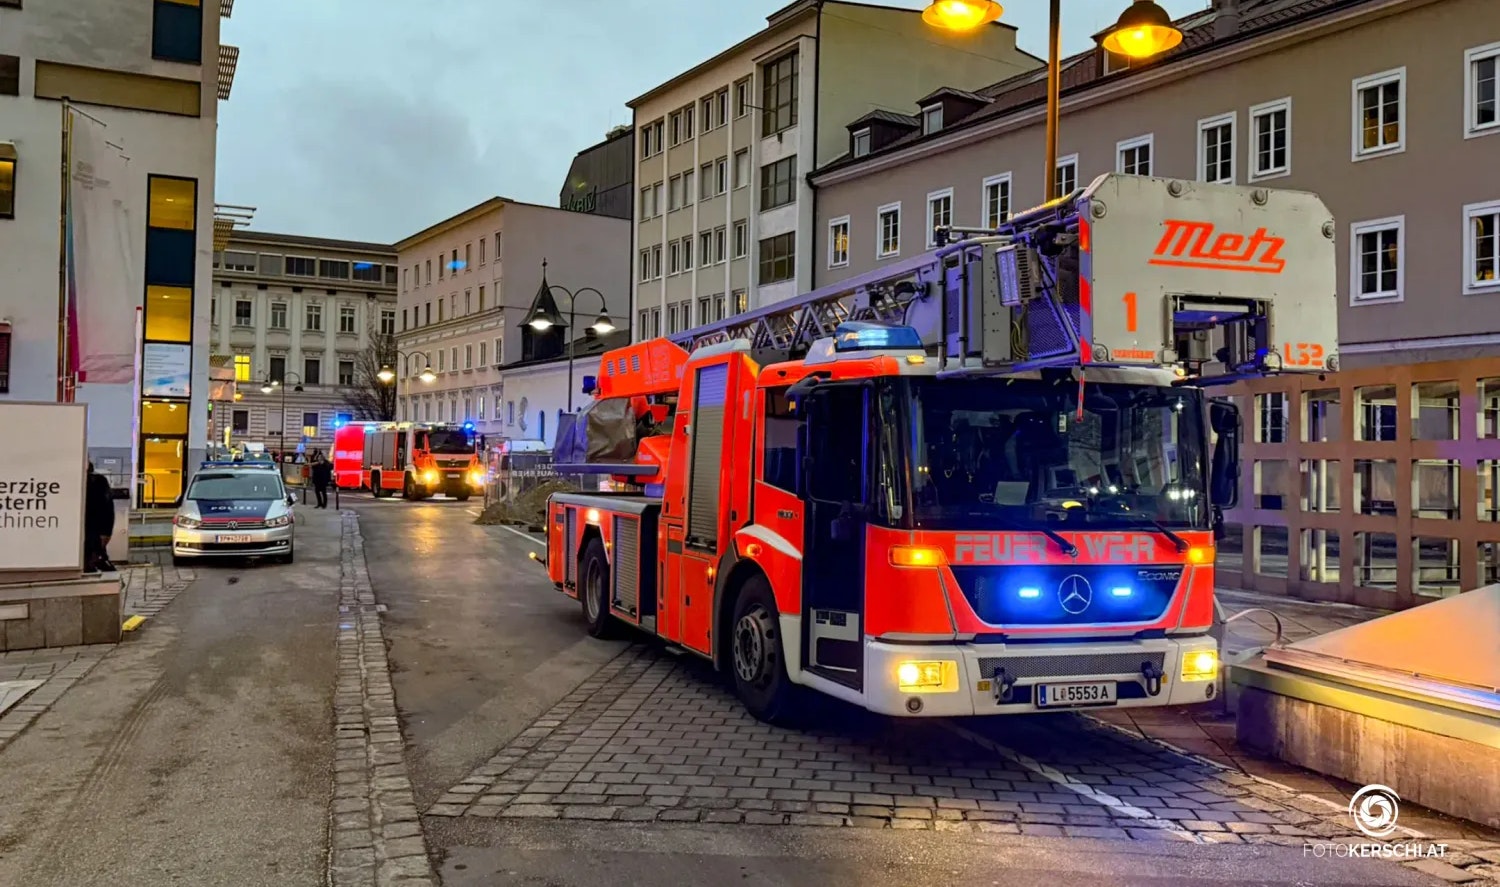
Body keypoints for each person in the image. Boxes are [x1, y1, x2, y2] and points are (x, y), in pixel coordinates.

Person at [84, 462, 117, 573]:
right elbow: (108, 509)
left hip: (92, 533)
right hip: (93, 533)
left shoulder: (97, 482)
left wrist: (105, 533)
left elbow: (106, 509)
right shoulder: (99, 482)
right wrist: (106, 533)